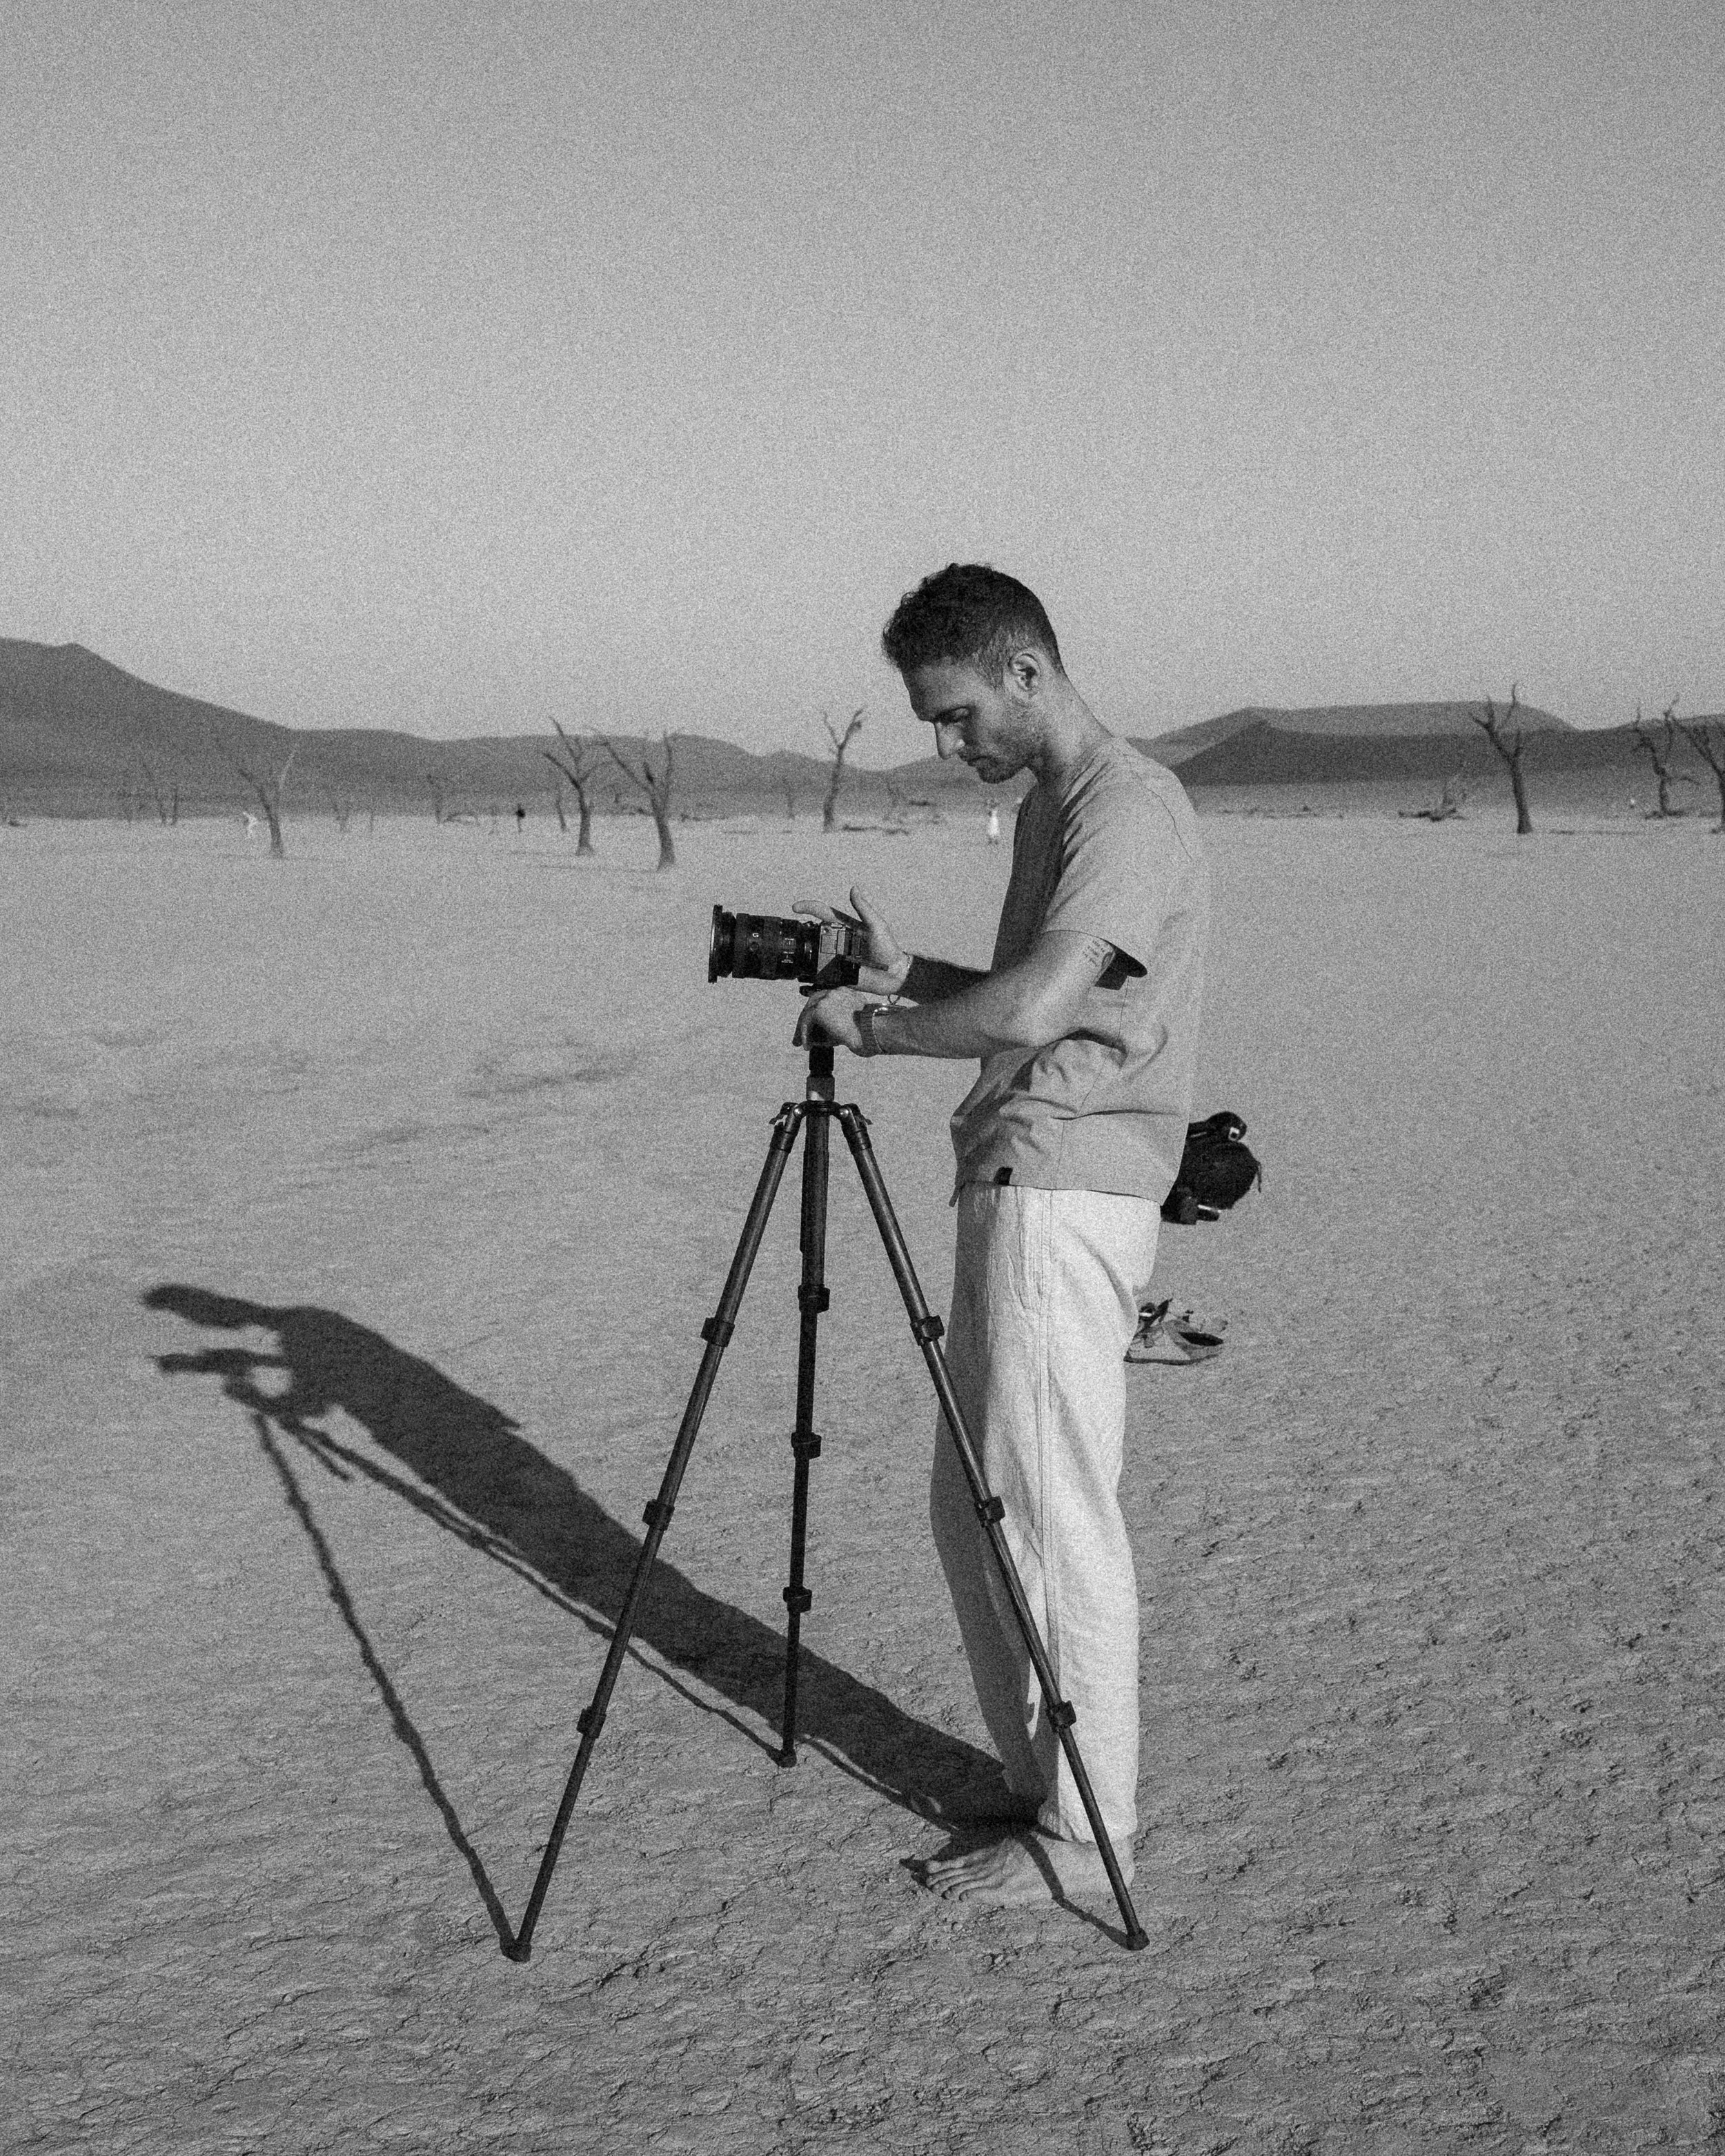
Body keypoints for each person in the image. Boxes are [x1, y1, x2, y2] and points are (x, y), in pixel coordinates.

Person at [794, 562, 1209, 1911]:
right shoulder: (1053, 812)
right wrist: (896, 971)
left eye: (958, 712)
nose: (947, 742)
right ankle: (1049, 1786)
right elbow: (1025, 993)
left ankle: (1090, 1836)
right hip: (1014, 1169)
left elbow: (1033, 1013)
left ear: (1025, 671)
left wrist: (880, 1035)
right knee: (972, 1507)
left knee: (1047, 1510)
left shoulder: (1123, 810)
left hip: (1062, 1181)